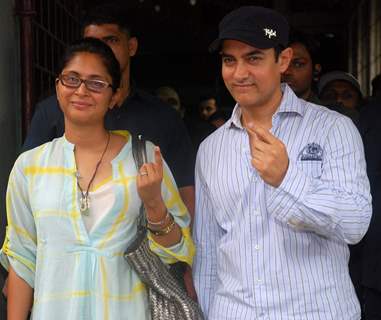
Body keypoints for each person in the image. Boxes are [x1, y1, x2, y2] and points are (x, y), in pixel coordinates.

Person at [193, 6, 371, 319]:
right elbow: (208, 253)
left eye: (254, 58)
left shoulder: (333, 129)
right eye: (229, 60)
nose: (239, 73)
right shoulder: (210, 149)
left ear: (283, 60)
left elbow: (355, 223)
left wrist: (287, 178)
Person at [0, 37, 194, 319]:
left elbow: (177, 254)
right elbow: (22, 259)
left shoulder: (145, 158)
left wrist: (154, 205)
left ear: (114, 96)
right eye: (72, 79)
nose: (81, 90)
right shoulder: (29, 167)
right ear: (57, 87)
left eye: (96, 83)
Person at [22, 3, 195, 218]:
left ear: (131, 47)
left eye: (111, 40)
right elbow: (27, 188)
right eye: (92, 43)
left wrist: (178, 241)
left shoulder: (163, 117)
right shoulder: (51, 110)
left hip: (144, 245)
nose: (101, 50)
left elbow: (185, 192)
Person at [282, 30, 321, 103]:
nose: (286, 71)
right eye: (281, 63)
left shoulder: (331, 113)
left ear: (316, 70)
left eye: (298, 64)